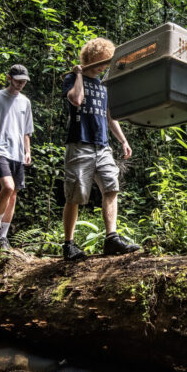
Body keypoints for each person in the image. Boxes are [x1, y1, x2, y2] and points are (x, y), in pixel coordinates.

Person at [60, 38, 140, 261]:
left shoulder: (103, 85)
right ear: (89, 58)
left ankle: (111, 238)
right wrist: (77, 75)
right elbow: (76, 100)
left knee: (111, 187)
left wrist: (123, 140)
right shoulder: (71, 79)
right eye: (100, 62)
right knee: (75, 194)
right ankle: (68, 244)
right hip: (79, 145)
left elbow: (110, 115)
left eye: (106, 62)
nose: (103, 66)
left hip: (102, 146)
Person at [0, 64, 34, 250]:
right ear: (9, 78)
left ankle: (3, 237)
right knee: (7, 187)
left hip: (17, 152)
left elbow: (27, 131)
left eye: (23, 82)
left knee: (14, 193)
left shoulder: (25, 102)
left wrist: (27, 151)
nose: (20, 84)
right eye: (18, 81)